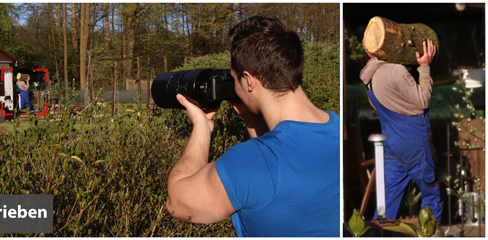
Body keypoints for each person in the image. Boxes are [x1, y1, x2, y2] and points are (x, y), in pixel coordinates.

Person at [166, 16, 340, 237]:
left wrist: (202, 126)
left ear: (248, 80)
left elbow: (177, 202)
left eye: (234, 79)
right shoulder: (339, 129)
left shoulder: (251, 161)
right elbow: (284, 150)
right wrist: (249, 114)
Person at [359, 39, 442, 224]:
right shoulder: (396, 71)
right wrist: (425, 67)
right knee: (431, 196)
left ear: (368, 53)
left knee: (387, 203)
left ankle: (375, 235)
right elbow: (422, 101)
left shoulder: (369, 78)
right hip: (415, 143)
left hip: (392, 145)